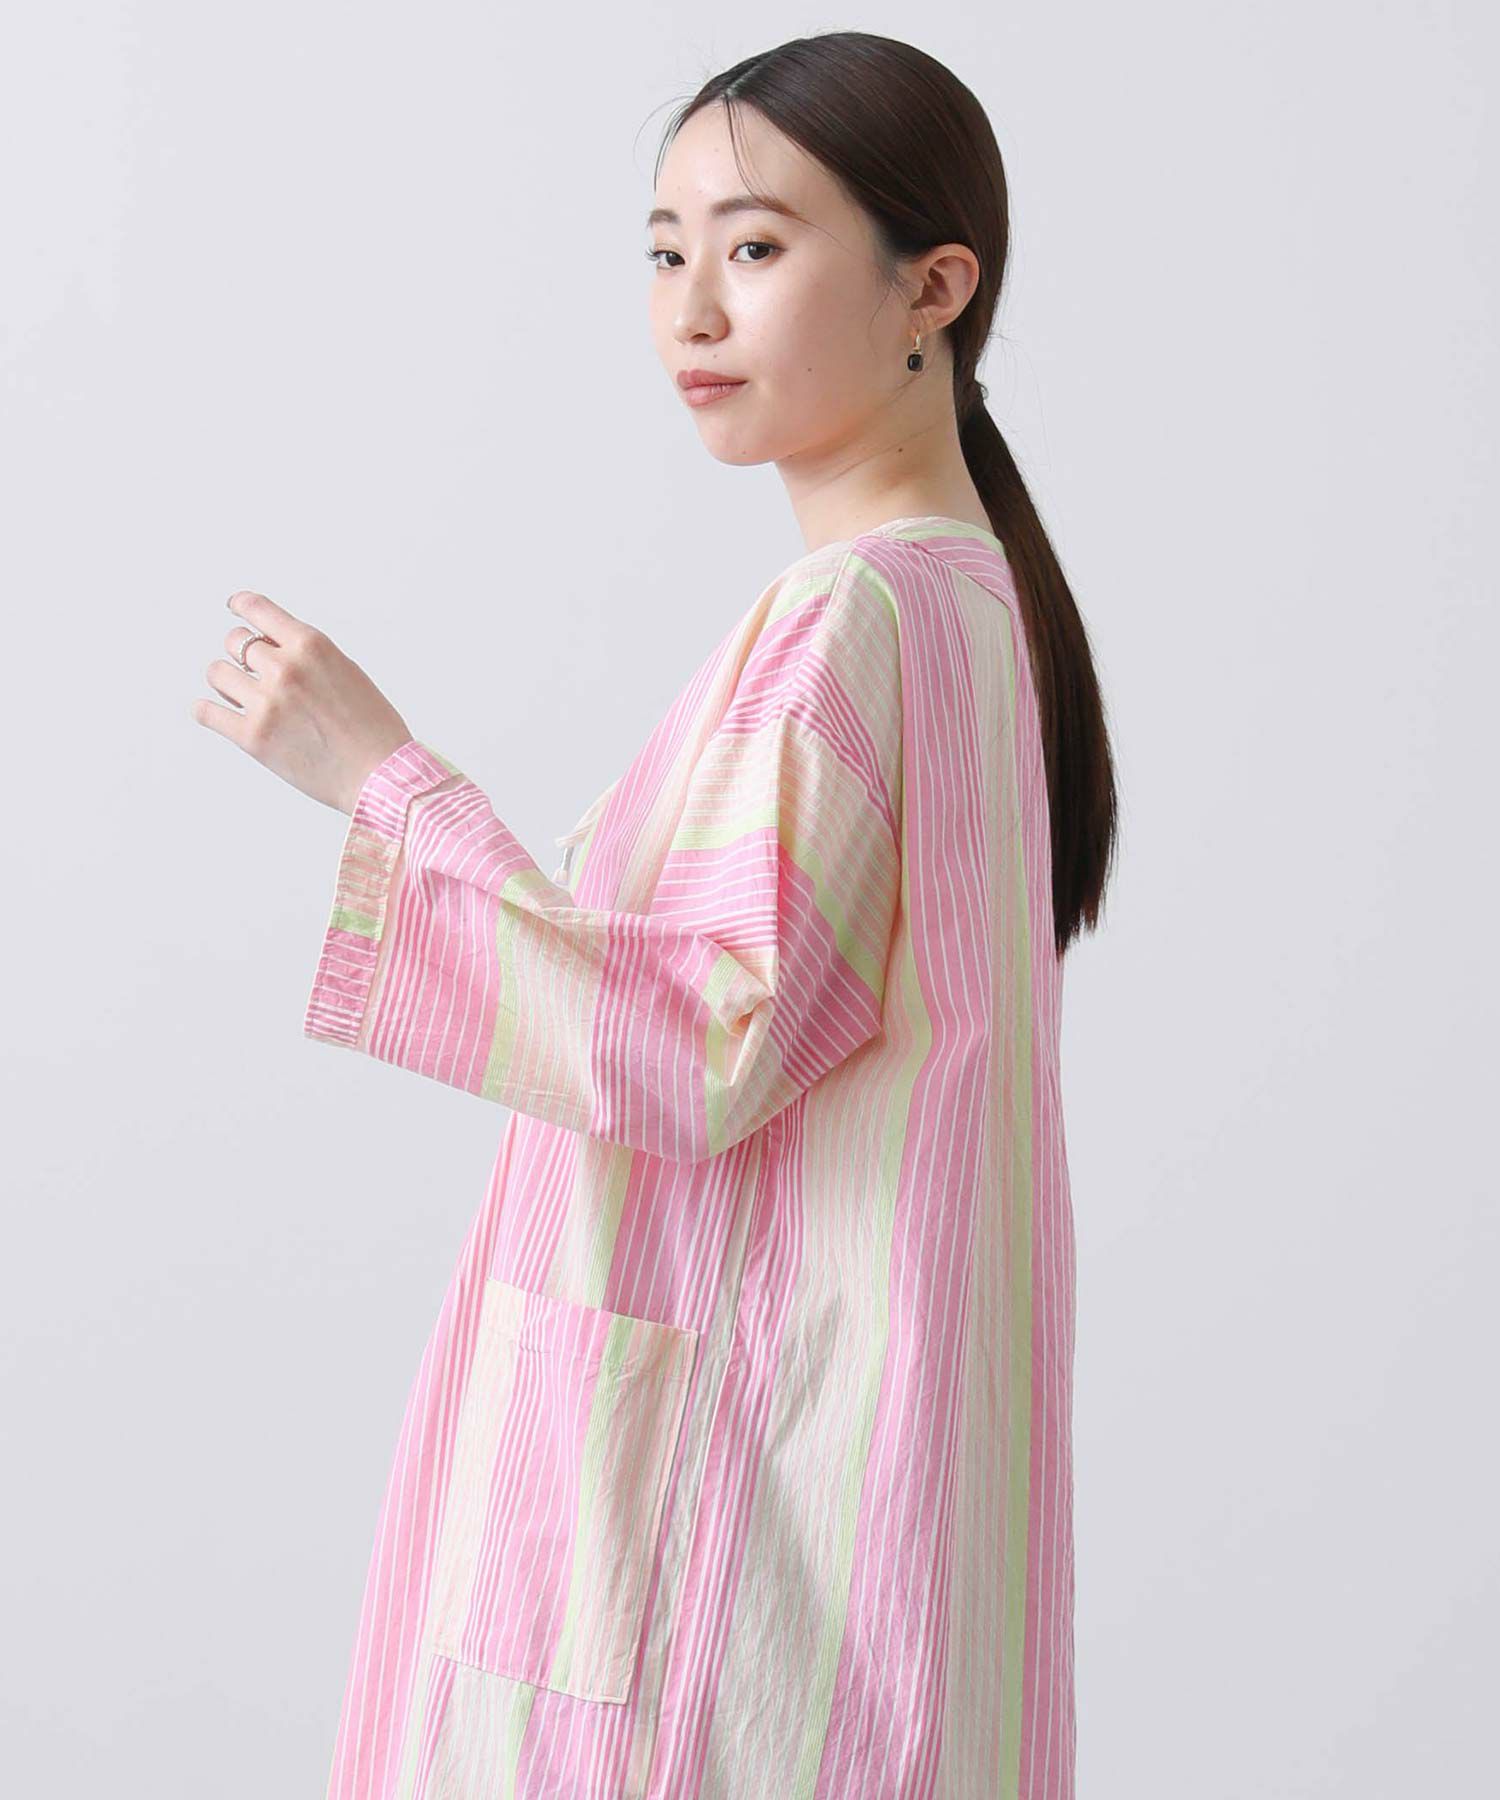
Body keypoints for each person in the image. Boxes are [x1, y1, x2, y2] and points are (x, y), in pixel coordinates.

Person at [192, 30, 1117, 1800]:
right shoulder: (964, 604)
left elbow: (700, 1045)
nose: (691, 309)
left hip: (722, 1532)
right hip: (815, 1502)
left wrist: (384, 780)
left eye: (756, 247)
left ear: (933, 288)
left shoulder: (854, 619)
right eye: (664, 247)